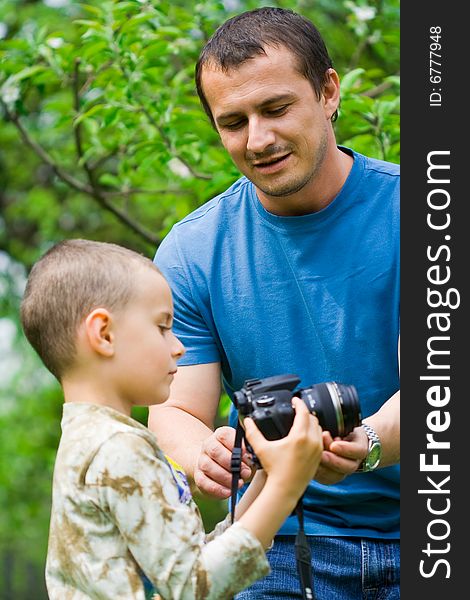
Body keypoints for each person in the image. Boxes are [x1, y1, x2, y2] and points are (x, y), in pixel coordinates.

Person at [150, 6, 400, 600]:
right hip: (278, 541)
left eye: (276, 108)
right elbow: (175, 409)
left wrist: (363, 444)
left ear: (329, 92)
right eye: (233, 121)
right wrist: (200, 453)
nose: (257, 140)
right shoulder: (191, 249)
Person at [20, 238, 323, 600]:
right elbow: (194, 588)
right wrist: (287, 483)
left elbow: (187, 566)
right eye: (163, 327)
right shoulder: (120, 450)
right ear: (104, 334)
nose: (178, 346)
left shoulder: (93, 441)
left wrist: (267, 477)